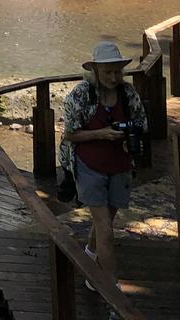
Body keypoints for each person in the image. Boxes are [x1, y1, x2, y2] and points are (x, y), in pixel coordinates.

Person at [60, 40, 148, 290]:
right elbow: (70, 134)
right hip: (89, 165)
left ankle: (90, 255)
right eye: (107, 72)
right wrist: (102, 134)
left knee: (106, 220)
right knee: (105, 228)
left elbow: (141, 124)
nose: (113, 77)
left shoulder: (128, 94)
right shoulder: (81, 95)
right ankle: (110, 288)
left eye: (117, 71)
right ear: (95, 71)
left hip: (120, 165)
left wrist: (130, 140)